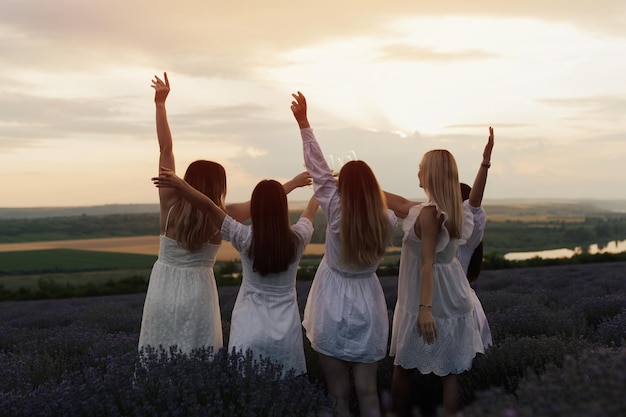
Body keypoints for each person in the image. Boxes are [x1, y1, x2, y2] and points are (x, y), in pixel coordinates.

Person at [138, 72, 311, 356]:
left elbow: (165, 147)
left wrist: (160, 103)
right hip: (199, 292)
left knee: (158, 352)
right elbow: (264, 200)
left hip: (162, 287)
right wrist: (293, 183)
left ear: (188, 181)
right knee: (199, 354)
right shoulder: (224, 214)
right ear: (220, 186)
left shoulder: (169, 203)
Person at [153, 167, 319, 376]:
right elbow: (310, 210)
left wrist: (182, 185)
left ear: (255, 209)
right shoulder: (299, 238)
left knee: (245, 387)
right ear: (283, 207)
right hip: (286, 330)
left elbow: (208, 207)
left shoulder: (243, 237)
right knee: (285, 385)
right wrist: (322, 186)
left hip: (247, 328)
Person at [291, 91, 397, 417]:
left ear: (343, 188)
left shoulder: (336, 211)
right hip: (369, 302)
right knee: (368, 392)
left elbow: (319, 170)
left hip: (331, 301)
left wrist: (304, 123)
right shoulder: (388, 220)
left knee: (338, 395)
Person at [386, 149, 484, 417]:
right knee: (450, 372)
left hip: (427, 299)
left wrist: (424, 309)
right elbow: (394, 201)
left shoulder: (429, 214)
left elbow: (426, 263)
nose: (417, 172)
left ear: (431, 173)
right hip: (453, 296)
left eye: (420, 167)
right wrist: (357, 178)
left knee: (403, 367)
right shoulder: (453, 210)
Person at [457, 127, 495, 351]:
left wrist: (485, 162)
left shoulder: (468, 229)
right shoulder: (445, 226)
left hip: (459, 305)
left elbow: (474, 202)